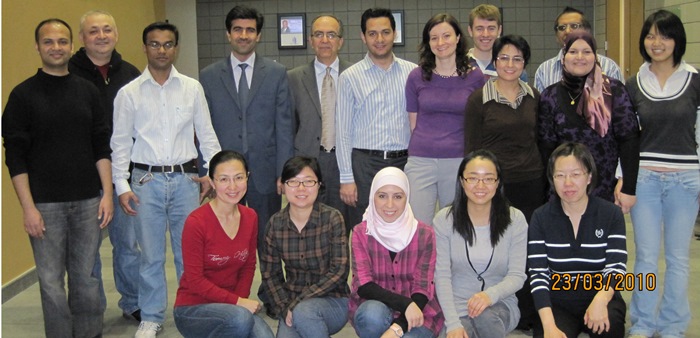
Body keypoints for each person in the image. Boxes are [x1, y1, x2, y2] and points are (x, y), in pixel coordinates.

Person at [2, 18, 112, 337]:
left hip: (88, 201)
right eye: (48, 42)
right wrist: (28, 208)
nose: (56, 47)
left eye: (62, 41)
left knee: (86, 279)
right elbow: (15, 157)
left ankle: (90, 333)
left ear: (71, 45)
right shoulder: (22, 96)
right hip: (45, 206)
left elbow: (100, 146)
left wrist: (107, 193)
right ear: (38, 47)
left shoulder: (88, 92)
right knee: (50, 283)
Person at [111, 22, 222, 337]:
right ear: (145, 47)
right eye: (155, 44)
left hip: (186, 181)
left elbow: (207, 136)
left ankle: (193, 311)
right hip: (145, 182)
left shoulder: (191, 88)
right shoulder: (128, 94)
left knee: (190, 252)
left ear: (176, 48)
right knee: (150, 255)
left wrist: (210, 174)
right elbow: (119, 145)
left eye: (168, 44)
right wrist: (122, 186)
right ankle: (151, 315)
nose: (162, 50)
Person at [626, 10, 700, 338]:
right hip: (645, 182)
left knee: (678, 259)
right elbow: (626, 138)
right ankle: (643, 324)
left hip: (685, 181)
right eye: (651, 35)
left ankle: (672, 326)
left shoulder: (695, 80)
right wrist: (623, 180)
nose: (657, 43)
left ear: (677, 40)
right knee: (644, 258)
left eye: (665, 35)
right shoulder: (633, 84)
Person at [68, 9, 143, 322]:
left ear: (116, 34)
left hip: (123, 175)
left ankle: (133, 303)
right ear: (83, 38)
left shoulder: (130, 73)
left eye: (107, 30)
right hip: (82, 177)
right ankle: (91, 309)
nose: (101, 36)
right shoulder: (67, 74)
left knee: (127, 245)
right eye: (94, 31)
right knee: (87, 252)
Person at [199, 5, 294, 249]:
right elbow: (202, 127)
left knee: (268, 238)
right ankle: (230, 288)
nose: (244, 35)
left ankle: (269, 288)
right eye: (238, 29)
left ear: (258, 35)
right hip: (224, 175)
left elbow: (285, 125)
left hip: (265, 172)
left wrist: (283, 172)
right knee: (225, 239)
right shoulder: (208, 76)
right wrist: (206, 170)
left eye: (250, 30)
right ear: (228, 34)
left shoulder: (277, 73)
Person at [528, 143, 627, 338]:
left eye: (576, 174)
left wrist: (600, 301)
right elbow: (538, 274)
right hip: (559, 302)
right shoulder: (541, 217)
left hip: (600, 294)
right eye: (560, 175)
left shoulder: (611, 214)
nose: (568, 183)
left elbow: (616, 267)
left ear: (589, 177)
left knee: (610, 326)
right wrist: (548, 326)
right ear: (552, 179)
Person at [173, 151, 274, 338]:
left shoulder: (250, 217)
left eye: (238, 178)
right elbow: (195, 281)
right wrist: (237, 302)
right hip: (194, 308)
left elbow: (248, 265)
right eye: (224, 179)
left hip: (233, 308)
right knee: (240, 322)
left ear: (247, 177)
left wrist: (238, 303)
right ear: (212, 182)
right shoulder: (196, 222)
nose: (233, 186)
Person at [537, 31, 640, 209]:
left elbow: (629, 140)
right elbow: (546, 148)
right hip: (563, 190)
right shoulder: (550, 95)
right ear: (563, 57)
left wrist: (629, 188)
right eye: (573, 51)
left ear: (595, 56)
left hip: (605, 188)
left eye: (586, 51)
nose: (580, 57)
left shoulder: (613, 90)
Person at [336, 7, 417, 229]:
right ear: (363, 37)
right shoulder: (349, 78)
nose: (379, 39)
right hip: (364, 164)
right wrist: (346, 179)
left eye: (385, 32)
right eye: (372, 33)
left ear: (395, 34)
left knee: (403, 226)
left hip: (404, 162)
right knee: (366, 228)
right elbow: (342, 133)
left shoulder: (413, 73)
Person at [433, 150, 528, 338]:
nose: (480, 185)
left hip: (498, 305)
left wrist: (489, 295)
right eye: (473, 178)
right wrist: (452, 323)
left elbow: (517, 275)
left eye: (488, 179)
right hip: (456, 308)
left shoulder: (515, 219)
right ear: (462, 181)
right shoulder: (444, 219)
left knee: (484, 317)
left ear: (498, 182)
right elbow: (441, 276)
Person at [404, 13, 485, 225]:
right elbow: (414, 124)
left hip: (458, 160)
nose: (441, 43)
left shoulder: (475, 77)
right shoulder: (416, 76)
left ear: (458, 38)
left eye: (446, 36)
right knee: (418, 226)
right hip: (421, 160)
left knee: (455, 225)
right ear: (428, 42)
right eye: (434, 38)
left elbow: (479, 122)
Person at [260, 156, 350, 338]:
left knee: (305, 312)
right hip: (291, 303)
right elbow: (270, 275)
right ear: (283, 186)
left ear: (319, 184)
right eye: (293, 182)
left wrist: (299, 303)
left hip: (333, 300)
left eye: (308, 181)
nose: (301, 188)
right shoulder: (275, 224)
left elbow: (339, 271)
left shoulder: (333, 218)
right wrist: (285, 308)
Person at [349, 167, 444, 338]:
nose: (390, 204)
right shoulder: (361, 232)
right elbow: (364, 285)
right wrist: (405, 304)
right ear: (373, 197)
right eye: (382, 196)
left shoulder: (424, 234)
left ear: (407, 198)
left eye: (398, 197)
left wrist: (397, 328)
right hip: (377, 305)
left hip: (419, 308)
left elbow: (423, 287)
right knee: (371, 317)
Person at [465, 35, 544, 222]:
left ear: (524, 64)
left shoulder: (534, 96)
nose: (510, 64)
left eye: (517, 59)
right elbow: (471, 148)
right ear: (494, 61)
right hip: (495, 183)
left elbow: (541, 140)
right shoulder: (479, 99)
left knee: (529, 238)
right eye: (504, 58)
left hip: (532, 181)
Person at [288, 14, 354, 233]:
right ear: (311, 40)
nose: (325, 40)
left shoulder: (354, 75)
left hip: (343, 162)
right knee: (307, 225)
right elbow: (288, 125)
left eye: (331, 34)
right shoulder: (293, 78)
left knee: (341, 225)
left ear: (340, 41)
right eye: (319, 34)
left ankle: (340, 268)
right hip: (307, 163)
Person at [534, 6, 623, 92]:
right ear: (556, 36)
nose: (568, 31)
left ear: (587, 31)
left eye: (574, 26)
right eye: (562, 28)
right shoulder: (544, 70)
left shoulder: (609, 67)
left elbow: (620, 103)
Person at [466, 4, 526, 81]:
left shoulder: (513, 68)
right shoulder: (459, 65)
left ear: (499, 30)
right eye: (479, 29)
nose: (485, 34)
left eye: (491, 28)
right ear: (470, 31)